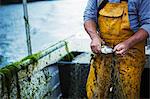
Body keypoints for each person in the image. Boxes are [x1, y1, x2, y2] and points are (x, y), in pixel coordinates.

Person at [83, 0, 150, 98]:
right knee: (95, 92)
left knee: (127, 92)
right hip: (103, 52)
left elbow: (148, 24)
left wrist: (128, 43)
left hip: (132, 51)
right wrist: (94, 37)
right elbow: (89, 17)